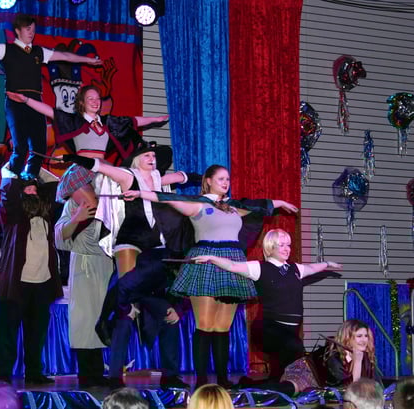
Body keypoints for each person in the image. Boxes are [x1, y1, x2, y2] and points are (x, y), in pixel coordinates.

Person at [122, 165, 298, 388]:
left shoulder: (233, 207)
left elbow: (257, 206)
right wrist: (140, 193)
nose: (226, 183)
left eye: (228, 179)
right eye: (221, 179)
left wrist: (279, 203)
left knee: (222, 327)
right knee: (205, 325)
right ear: (208, 181)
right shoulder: (198, 204)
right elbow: (167, 198)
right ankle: (202, 381)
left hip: (232, 263)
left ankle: (223, 380)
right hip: (205, 262)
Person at [63, 144, 191, 389]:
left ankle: (170, 374)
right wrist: (74, 158)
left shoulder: (157, 179)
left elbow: (181, 177)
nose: (152, 158)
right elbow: (100, 167)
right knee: (126, 308)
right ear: (136, 159)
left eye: (154, 156)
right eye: (147, 155)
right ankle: (115, 376)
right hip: (130, 240)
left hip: (155, 244)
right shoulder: (127, 176)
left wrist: (205, 181)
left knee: (166, 311)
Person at [0, 14, 102, 179]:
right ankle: (12, 176)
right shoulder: (7, 49)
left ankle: (30, 178)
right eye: (28, 29)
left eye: (33, 30)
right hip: (15, 102)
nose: (31, 33)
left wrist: (87, 60)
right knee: (20, 146)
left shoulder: (38, 52)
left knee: (39, 147)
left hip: (35, 102)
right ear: (17, 30)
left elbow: (65, 56)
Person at [194, 228, 343, 383]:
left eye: (288, 245)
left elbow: (312, 268)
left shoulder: (295, 268)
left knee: (283, 372)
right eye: (282, 245)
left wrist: (327, 264)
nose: (287, 249)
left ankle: (258, 385)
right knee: (295, 347)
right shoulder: (260, 268)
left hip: (290, 331)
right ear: (270, 247)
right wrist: (212, 258)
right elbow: (232, 265)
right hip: (268, 329)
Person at [6, 84, 169, 208]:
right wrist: (26, 100)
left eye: (97, 99)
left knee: (116, 206)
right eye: (90, 99)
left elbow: (133, 121)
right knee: (91, 207)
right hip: (83, 169)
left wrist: (156, 119)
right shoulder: (74, 121)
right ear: (82, 102)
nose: (95, 102)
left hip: (104, 169)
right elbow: (49, 111)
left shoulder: (108, 122)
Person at [0, 165, 63, 384]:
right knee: (8, 332)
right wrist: (17, 167)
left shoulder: (46, 215)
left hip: (42, 283)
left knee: (37, 333)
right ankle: (4, 375)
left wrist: (36, 167)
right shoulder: (13, 215)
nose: (33, 192)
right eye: (28, 189)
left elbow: (54, 185)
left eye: (35, 189)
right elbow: (8, 188)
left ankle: (34, 373)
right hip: (17, 283)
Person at [54, 179, 113, 388]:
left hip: (105, 264)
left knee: (101, 316)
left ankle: (98, 370)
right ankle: (86, 373)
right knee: (84, 319)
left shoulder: (109, 201)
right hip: (83, 264)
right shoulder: (74, 202)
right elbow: (59, 236)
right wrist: (76, 218)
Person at [230, 319, 378, 396]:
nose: (364, 340)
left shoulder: (365, 356)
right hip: (305, 371)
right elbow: (351, 389)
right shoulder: (333, 354)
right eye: (359, 336)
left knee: (275, 383)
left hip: (319, 383)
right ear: (347, 338)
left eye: (366, 336)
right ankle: (245, 390)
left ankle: (246, 383)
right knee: (289, 390)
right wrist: (357, 362)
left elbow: (372, 383)